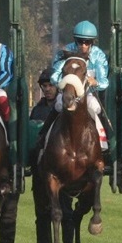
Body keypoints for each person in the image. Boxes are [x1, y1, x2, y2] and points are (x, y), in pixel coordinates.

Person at [41, 21, 112, 155]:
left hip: (88, 95)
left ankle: (105, 140)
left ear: (92, 42)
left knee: (94, 106)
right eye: (80, 41)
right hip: (67, 93)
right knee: (58, 104)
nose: (83, 45)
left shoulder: (99, 56)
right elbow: (54, 76)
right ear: (75, 40)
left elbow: (104, 82)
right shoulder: (65, 53)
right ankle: (44, 136)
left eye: (87, 42)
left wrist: (95, 82)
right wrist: (66, 81)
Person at [29, 68, 73, 243]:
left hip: (61, 167)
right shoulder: (37, 110)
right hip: (41, 166)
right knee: (42, 208)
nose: (47, 89)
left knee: (65, 206)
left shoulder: (66, 109)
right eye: (44, 86)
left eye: (50, 85)